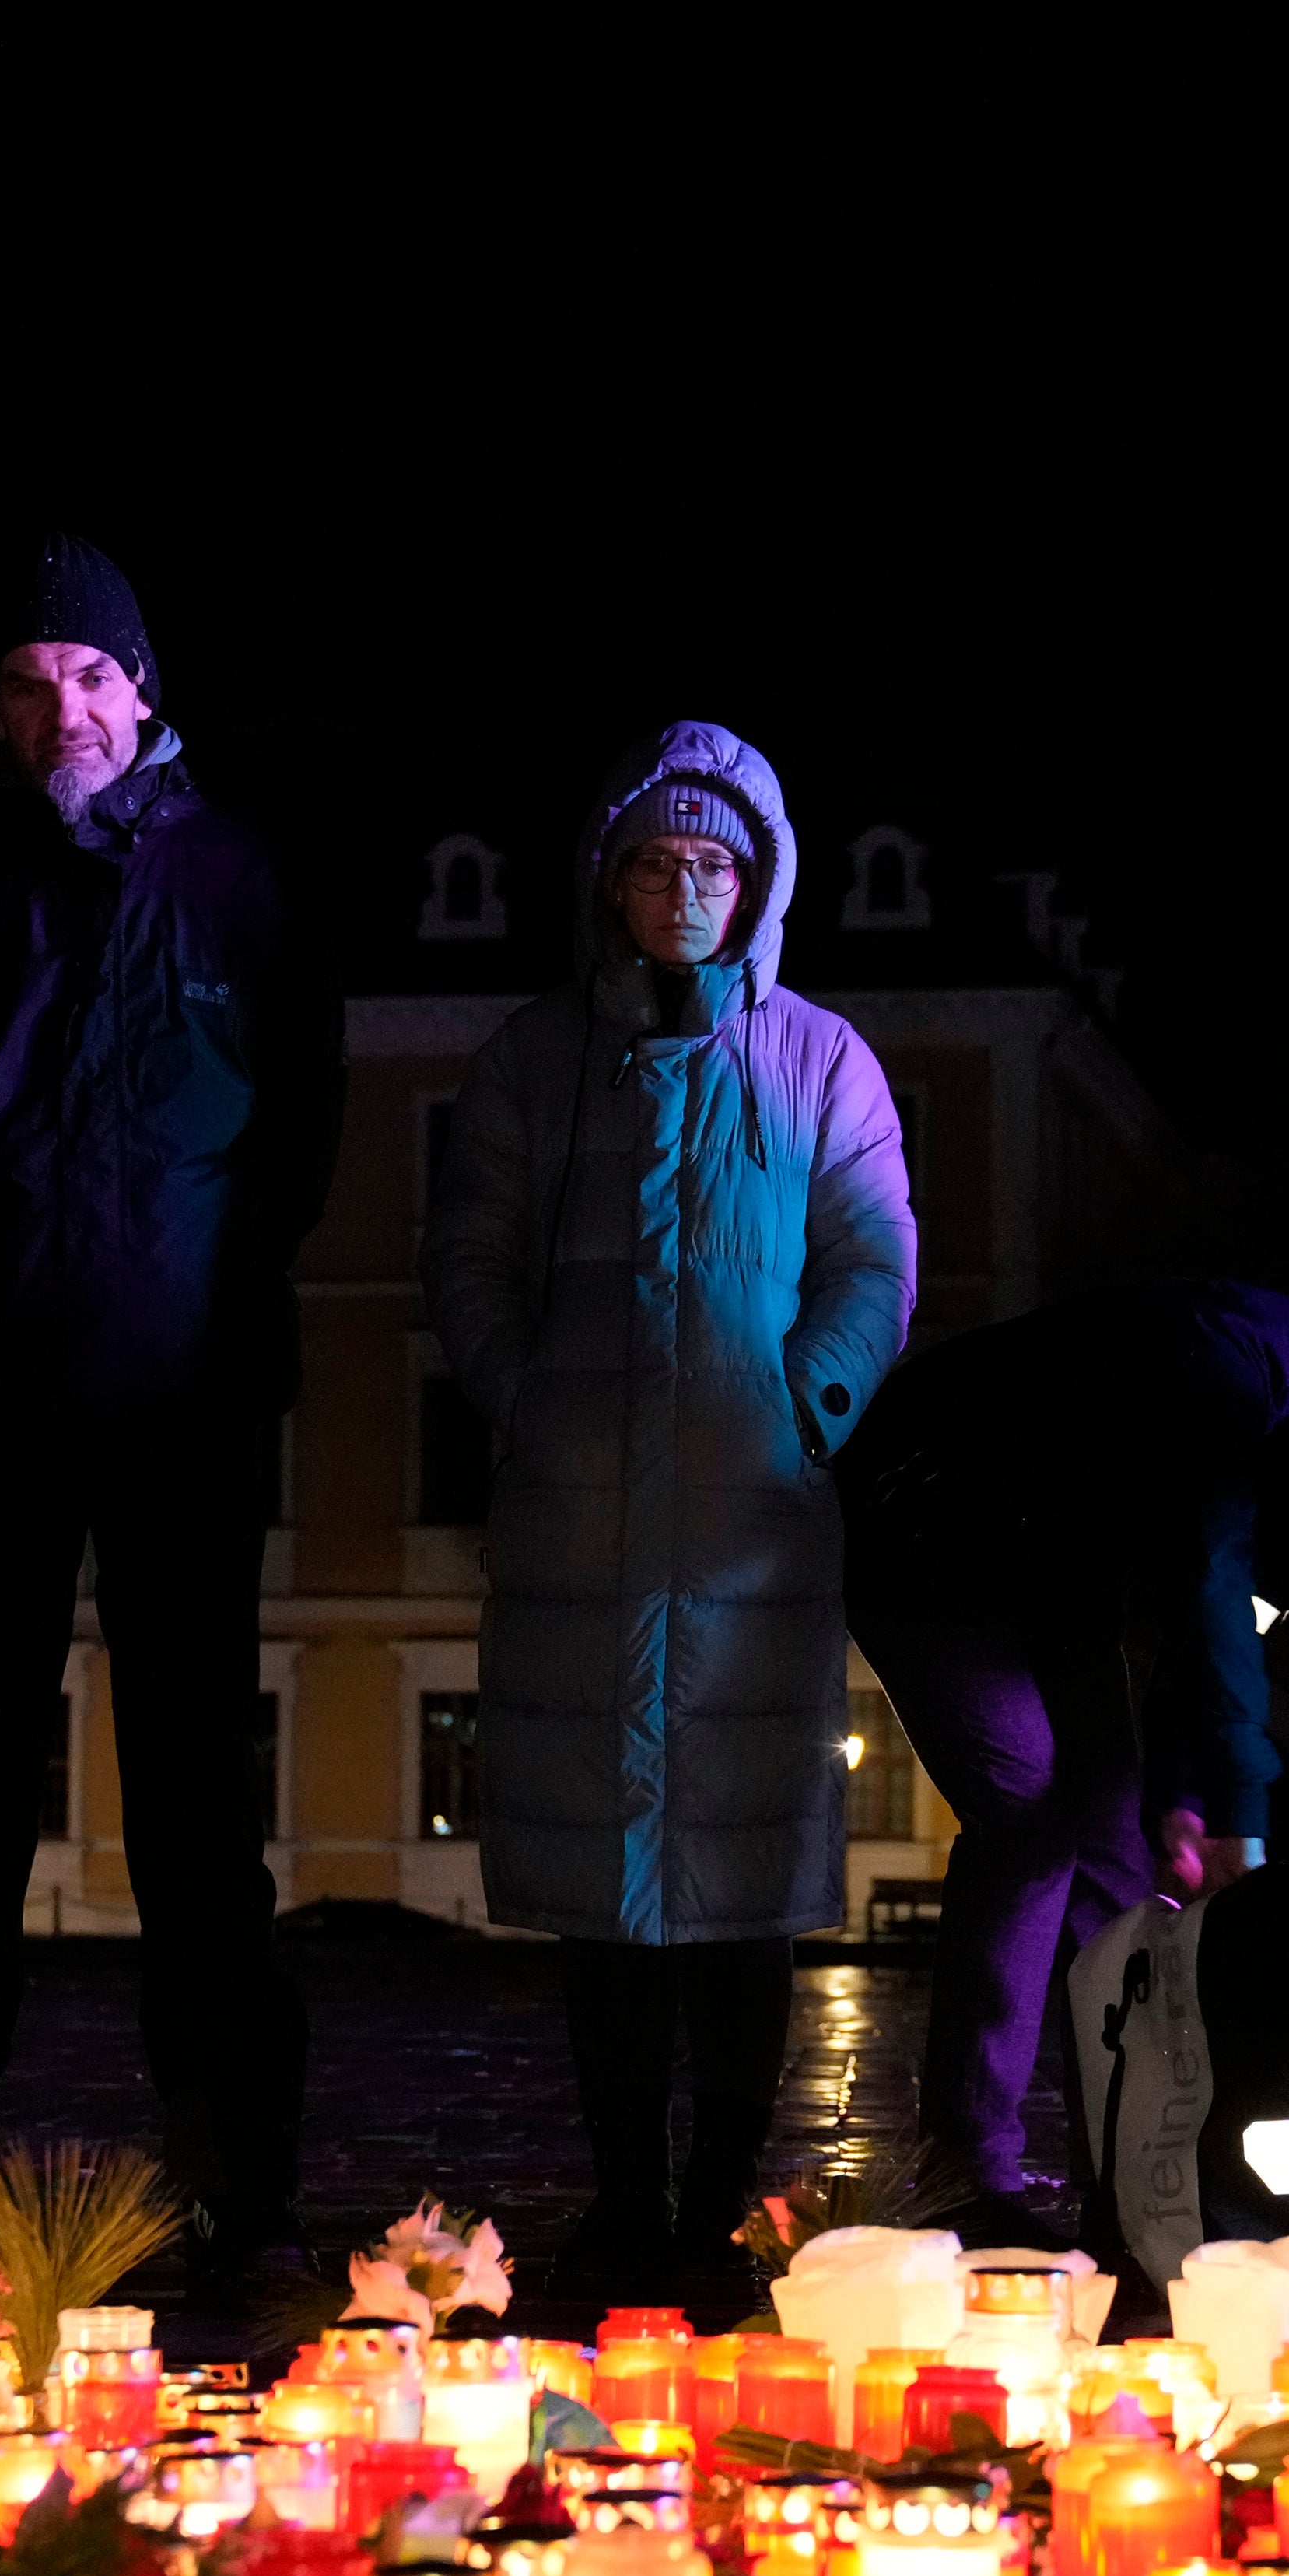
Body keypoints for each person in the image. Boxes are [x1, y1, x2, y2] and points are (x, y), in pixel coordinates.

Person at [0, 541, 335, 2296]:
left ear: (142, 690)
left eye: (91, 677)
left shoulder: (244, 878)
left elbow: (300, 1133)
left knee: (198, 1807)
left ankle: (239, 2178)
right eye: (31, 681)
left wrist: (207, 1291)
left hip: (184, 1400)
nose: (64, 709)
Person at [430, 727, 918, 2319]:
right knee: (601, 1915)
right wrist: (523, 1397)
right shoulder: (529, 1057)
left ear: (755, 884)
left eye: (712, 865)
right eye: (654, 863)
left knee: (741, 1900)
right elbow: (472, 1254)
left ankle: (718, 2207)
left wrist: (803, 1403)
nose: (682, 889)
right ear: (611, 883)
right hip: (577, 1528)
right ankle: (622, 2201)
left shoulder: (820, 1060)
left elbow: (870, 1257)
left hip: (747, 1525)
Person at [842, 1275, 1289, 2237]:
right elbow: (1209, 1575)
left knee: (1115, 1848)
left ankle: (1121, 2166)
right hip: (929, 1521)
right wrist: (1238, 1811)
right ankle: (966, 2174)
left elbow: (1224, 1632)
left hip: (1052, 1570)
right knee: (1031, 1820)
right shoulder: (1226, 1367)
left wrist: (1184, 1798)